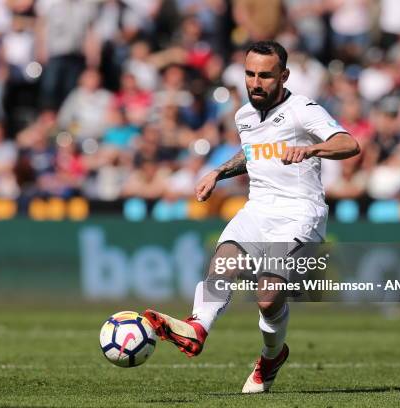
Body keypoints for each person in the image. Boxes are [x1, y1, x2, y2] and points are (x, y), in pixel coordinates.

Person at [143, 40, 359, 393]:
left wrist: (311, 149)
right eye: (250, 74)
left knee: (266, 297)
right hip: (258, 208)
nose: (255, 83)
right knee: (223, 262)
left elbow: (348, 142)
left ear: (283, 75)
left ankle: (272, 356)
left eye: (265, 76)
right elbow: (254, 156)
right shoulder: (244, 116)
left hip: (298, 212)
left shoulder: (303, 109)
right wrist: (217, 173)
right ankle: (198, 327)